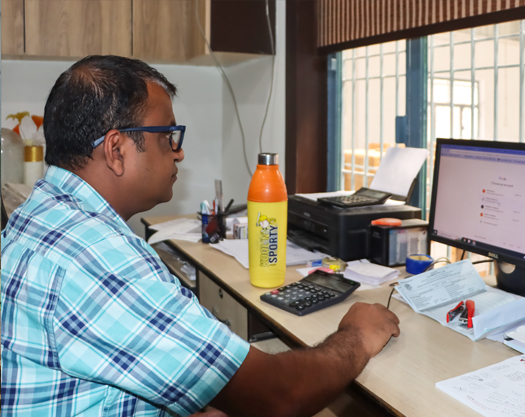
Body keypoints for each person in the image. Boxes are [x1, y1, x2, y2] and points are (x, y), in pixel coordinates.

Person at [0, 55, 400, 417]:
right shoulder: (98, 255)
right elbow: (279, 396)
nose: (178, 152)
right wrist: (356, 336)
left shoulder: (42, 213)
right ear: (116, 150)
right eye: (167, 137)